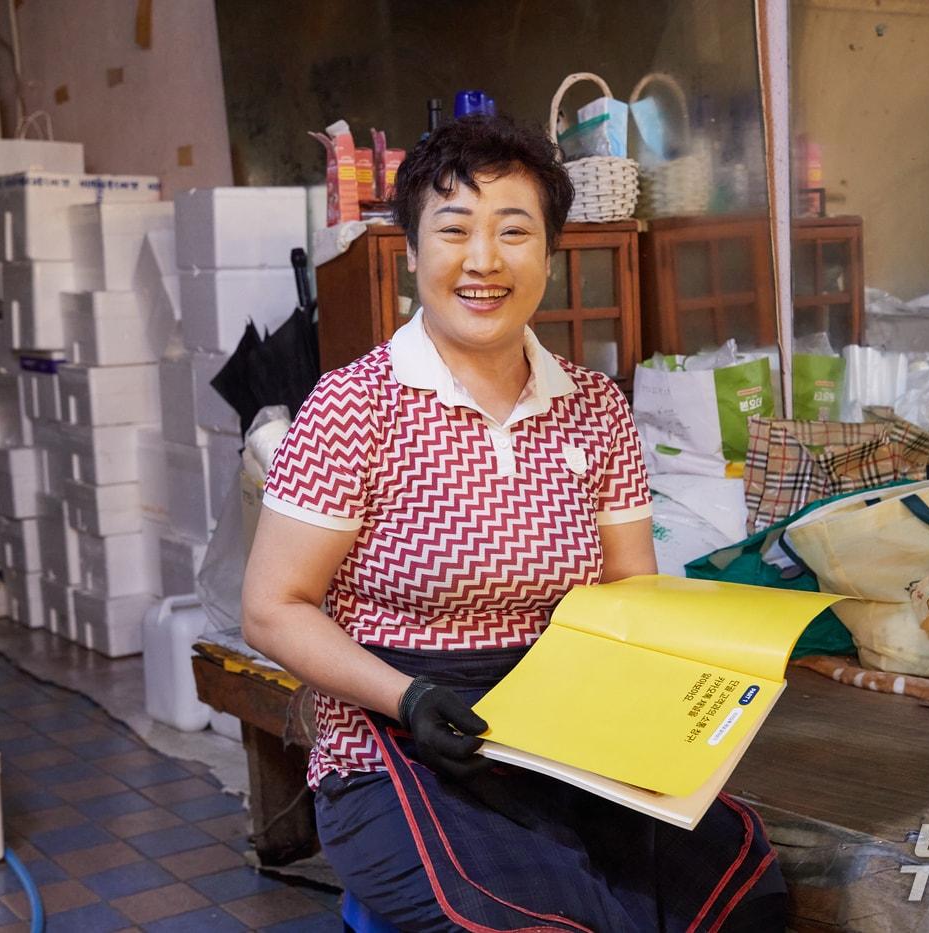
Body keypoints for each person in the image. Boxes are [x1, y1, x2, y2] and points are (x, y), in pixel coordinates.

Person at [242, 114, 786, 932]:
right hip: (398, 741)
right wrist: (409, 695)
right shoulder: (355, 405)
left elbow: (632, 592)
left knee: (737, 888)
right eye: (454, 229)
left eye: (514, 231)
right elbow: (272, 607)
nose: (484, 260)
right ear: (413, 253)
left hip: (568, 736)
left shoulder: (595, 407)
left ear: (550, 255)